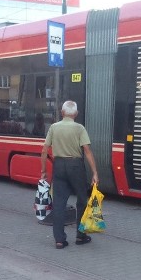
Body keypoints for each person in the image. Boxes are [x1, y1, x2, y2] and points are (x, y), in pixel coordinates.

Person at [40, 100, 99, 249]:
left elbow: (45, 149)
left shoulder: (54, 127)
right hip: (76, 166)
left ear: (62, 112)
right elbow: (87, 150)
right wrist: (95, 173)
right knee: (82, 201)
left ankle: (59, 240)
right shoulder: (79, 128)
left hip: (58, 165)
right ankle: (81, 236)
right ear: (76, 114)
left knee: (59, 203)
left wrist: (44, 171)